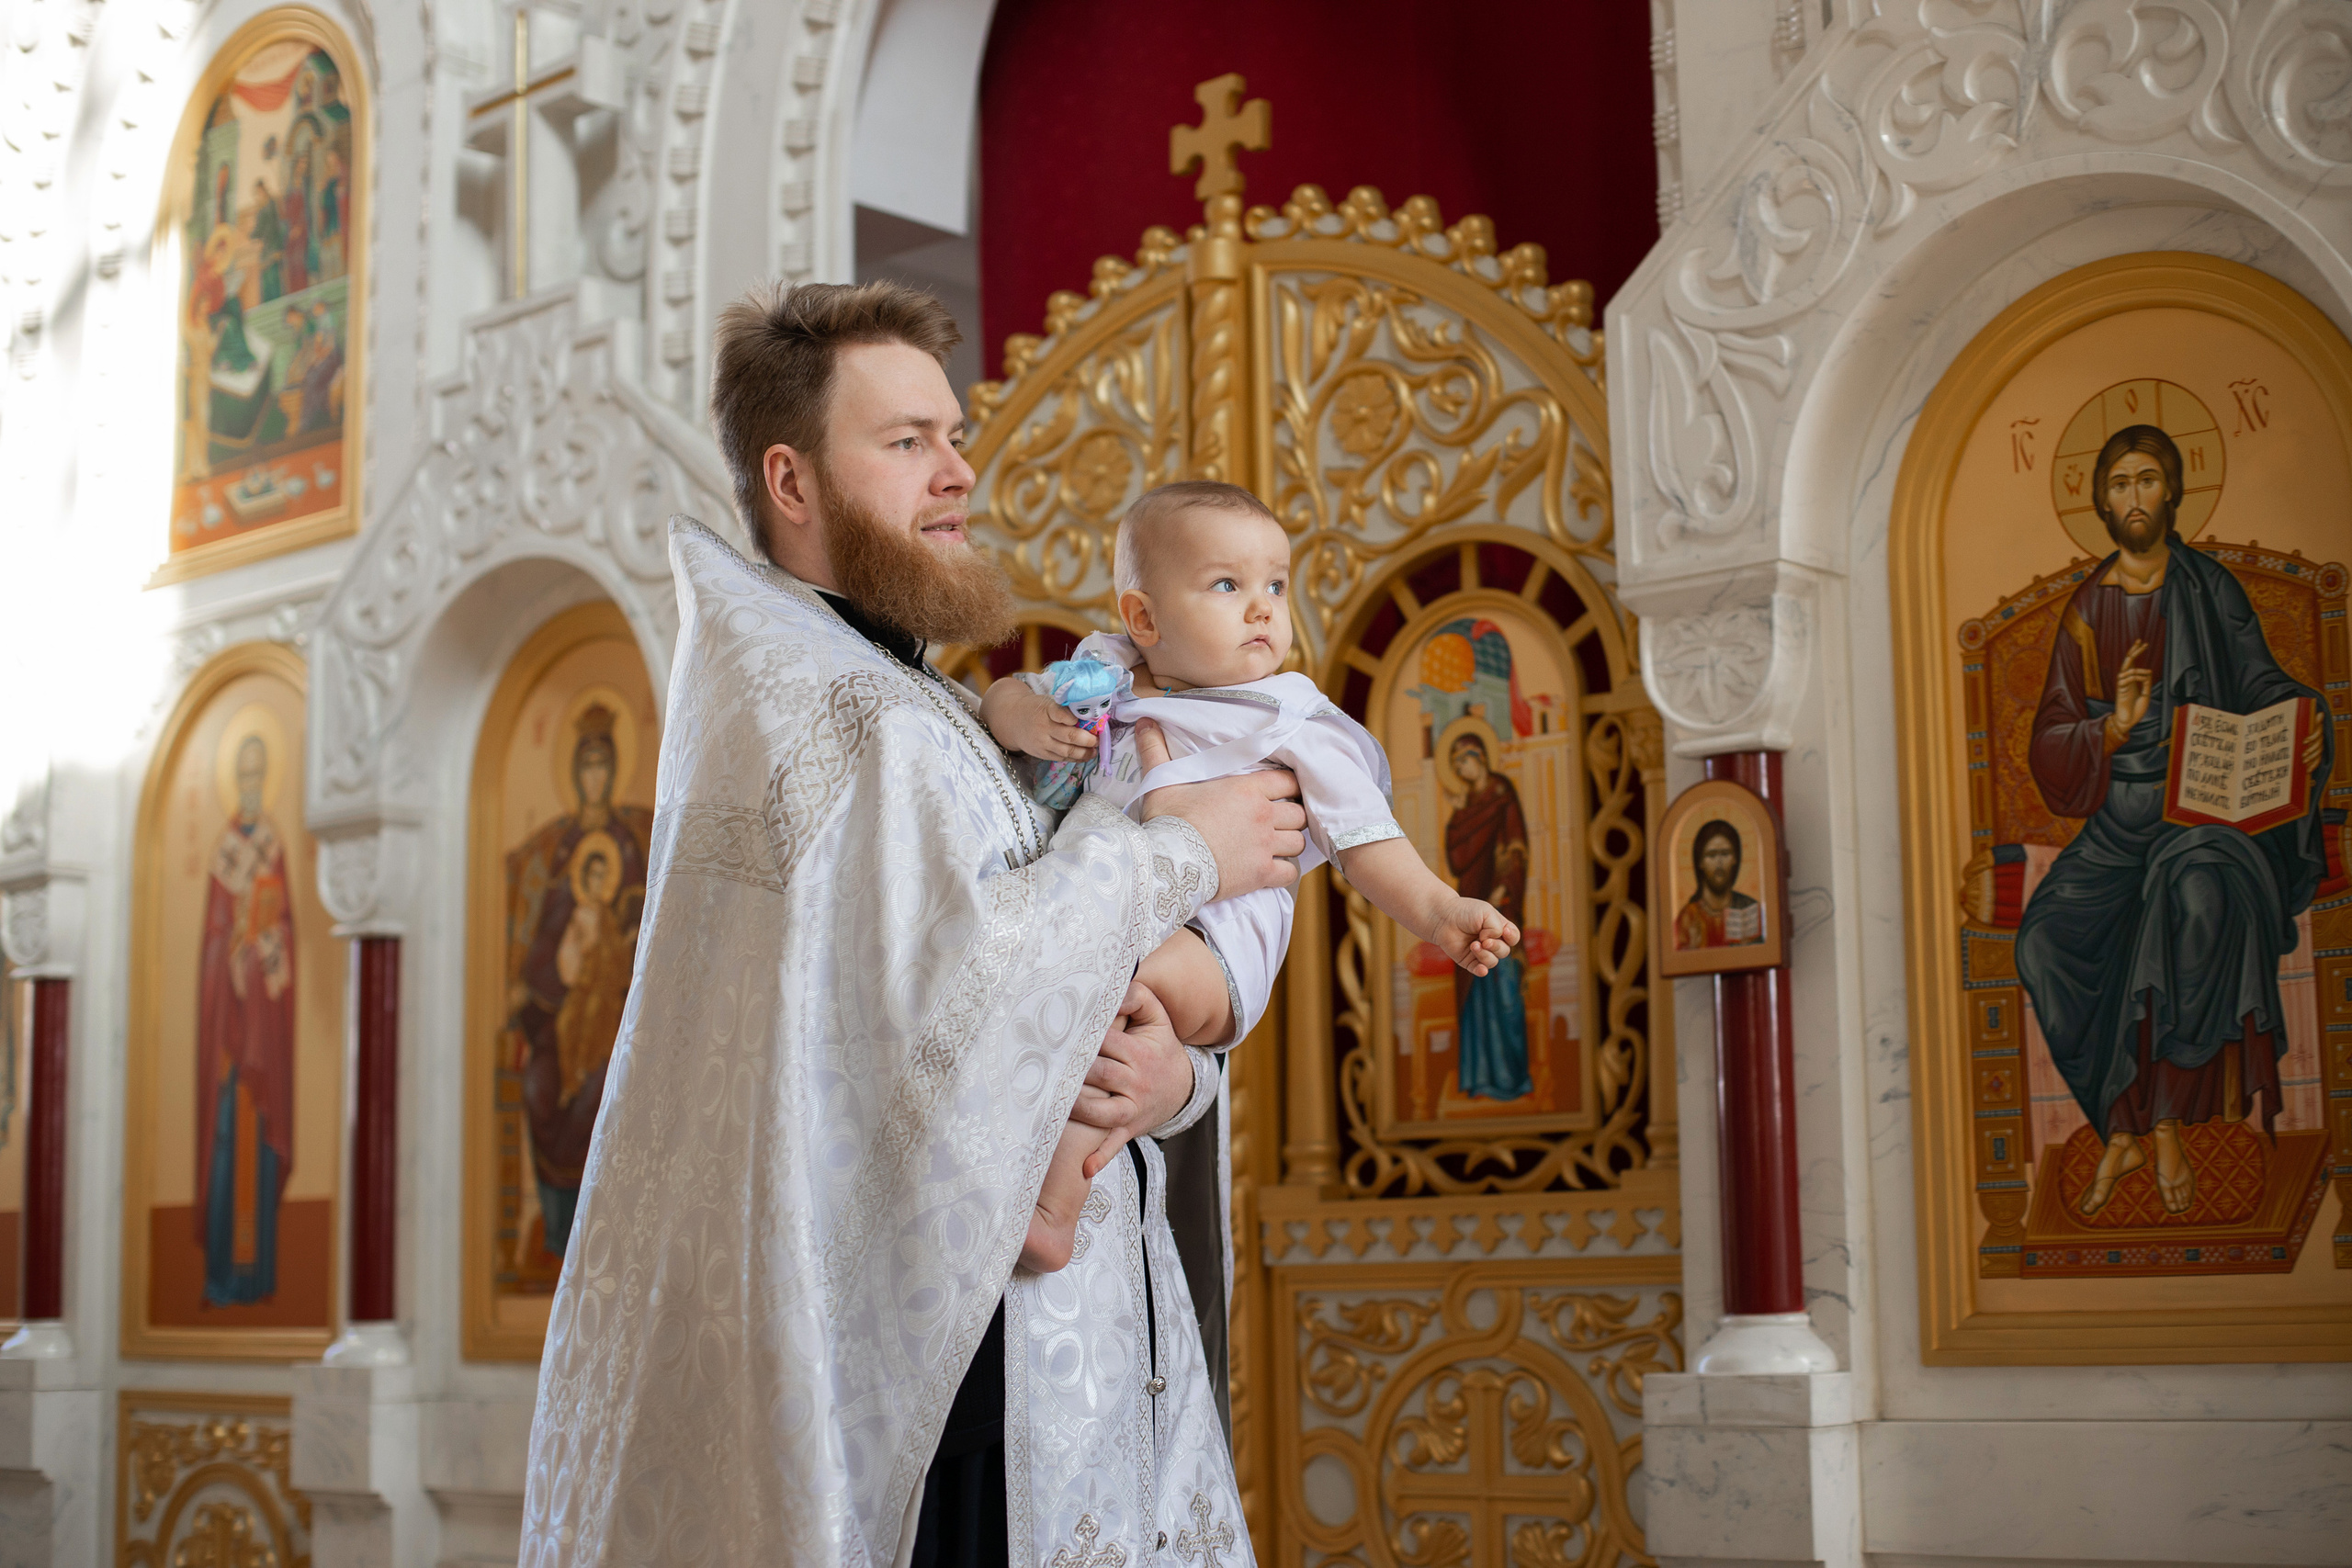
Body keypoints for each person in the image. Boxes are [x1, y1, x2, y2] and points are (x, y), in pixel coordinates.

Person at [521, 280, 1304, 1568]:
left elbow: (1008, 999)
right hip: (956, 1404)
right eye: (908, 443)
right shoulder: (837, 717)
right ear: (792, 478)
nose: (959, 473)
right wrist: (1179, 850)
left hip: (1028, 1353)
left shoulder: (893, 695)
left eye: (954, 435)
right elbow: (957, 1016)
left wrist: (1174, 1084)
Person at [982, 481, 1519, 1270]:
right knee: (1076, 980)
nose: (1263, 607)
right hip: (1108, 906)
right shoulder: (1107, 674)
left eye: (1276, 583)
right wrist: (1026, 718)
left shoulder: (1292, 721)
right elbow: (1005, 697)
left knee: (1104, 989)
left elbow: (1367, 839)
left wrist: (1439, 911)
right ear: (1143, 619)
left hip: (1215, 942)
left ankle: (1054, 1202)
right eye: (1227, 585)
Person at [2014, 424, 2331, 1217]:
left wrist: (2303, 717)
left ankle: (2157, 1123)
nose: (2133, 498)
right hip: (2120, 823)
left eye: (2147, 480)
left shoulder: (2209, 586)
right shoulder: (2088, 611)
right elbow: (2049, 741)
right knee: (2043, 939)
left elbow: (2262, 683)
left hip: (2206, 809)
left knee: (2194, 899)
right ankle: (2118, 1121)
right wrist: (2113, 728)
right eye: (2119, 484)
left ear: (2173, 491)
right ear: (2100, 501)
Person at [196, 733, 296, 1305]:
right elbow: (211, 935)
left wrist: (261, 951)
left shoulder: (276, 846)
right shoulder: (223, 852)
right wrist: (226, 955)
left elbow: (286, 931)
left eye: (262, 777)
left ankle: (255, 1275)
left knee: (255, 1144)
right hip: (230, 1034)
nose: (255, 788)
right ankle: (223, 1276)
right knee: (227, 1134)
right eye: (247, 777)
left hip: (262, 1024)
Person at [1442, 731, 1533, 1100]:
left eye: (1463, 761)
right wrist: (1460, 815)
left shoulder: (1501, 794)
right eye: (1455, 766)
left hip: (1501, 902)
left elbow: (1516, 847)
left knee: (1506, 990)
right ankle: (1480, 1077)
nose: (1461, 770)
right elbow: (1457, 857)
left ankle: (1514, 1077)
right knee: (1473, 987)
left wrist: (1503, 890)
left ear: (1478, 756)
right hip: (1468, 901)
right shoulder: (1466, 807)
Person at [1674, 819, 1763, 950]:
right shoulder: (1689, 918)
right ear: (1700, 862)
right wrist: (1693, 948)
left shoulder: (1748, 910)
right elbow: (1679, 962)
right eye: (1711, 855)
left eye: (1725, 854)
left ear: (1734, 859)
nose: (1719, 862)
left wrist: (1748, 950)